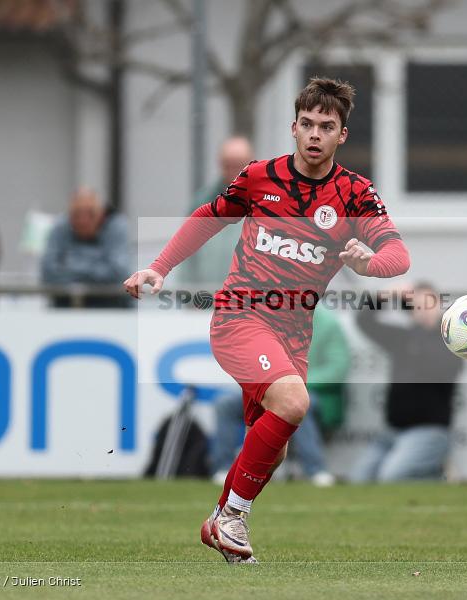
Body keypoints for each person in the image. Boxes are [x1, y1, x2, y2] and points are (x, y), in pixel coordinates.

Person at [124, 77, 410, 563]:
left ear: (342, 135)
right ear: (293, 128)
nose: (315, 133)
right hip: (241, 316)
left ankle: (221, 522)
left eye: (327, 125)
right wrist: (158, 267)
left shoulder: (356, 193)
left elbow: (397, 255)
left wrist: (368, 262)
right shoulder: (260, 177)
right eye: (307, 124)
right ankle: (232, 518)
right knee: (296, 402)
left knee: (272, 449)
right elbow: (208, 216)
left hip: (294, 331)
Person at [209, 303, 350, 487]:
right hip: (270, 387)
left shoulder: (327, 323)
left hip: (314, 393)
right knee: (225, 404)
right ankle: (223, 468)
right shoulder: (268, 318)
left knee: (297, 403)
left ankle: (316, 471)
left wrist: (295, 383)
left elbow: (337, 368)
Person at [349, 282, 457, 483]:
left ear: (440, 305)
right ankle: (435, 469)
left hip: (429, 430)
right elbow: (364, 321)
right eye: (418, 303)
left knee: (392, 477)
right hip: (393, 430)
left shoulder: (451, 340)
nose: (423, 308)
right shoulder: (403, 337)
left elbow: (442, 368)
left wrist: (425, 326)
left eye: (428, 303)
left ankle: (439, 475)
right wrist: (383, 296)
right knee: (358, 479)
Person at [178, 137, 254, 287]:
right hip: (203, 300)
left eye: (239, 165)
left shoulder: (266, 203)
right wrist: (187, 293)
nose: (234, 171)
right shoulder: (202, 200)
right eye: (228, 165)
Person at [41, 187, 131, 308]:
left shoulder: (117, 227)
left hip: (112, 310)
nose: (83, 220)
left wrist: (70, 267)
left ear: (101, 213)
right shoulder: (60, 227)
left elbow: (119, 275)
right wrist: (97, 269)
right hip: (65, 311)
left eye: (90, 214)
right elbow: (48, 275)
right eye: (76, 215)